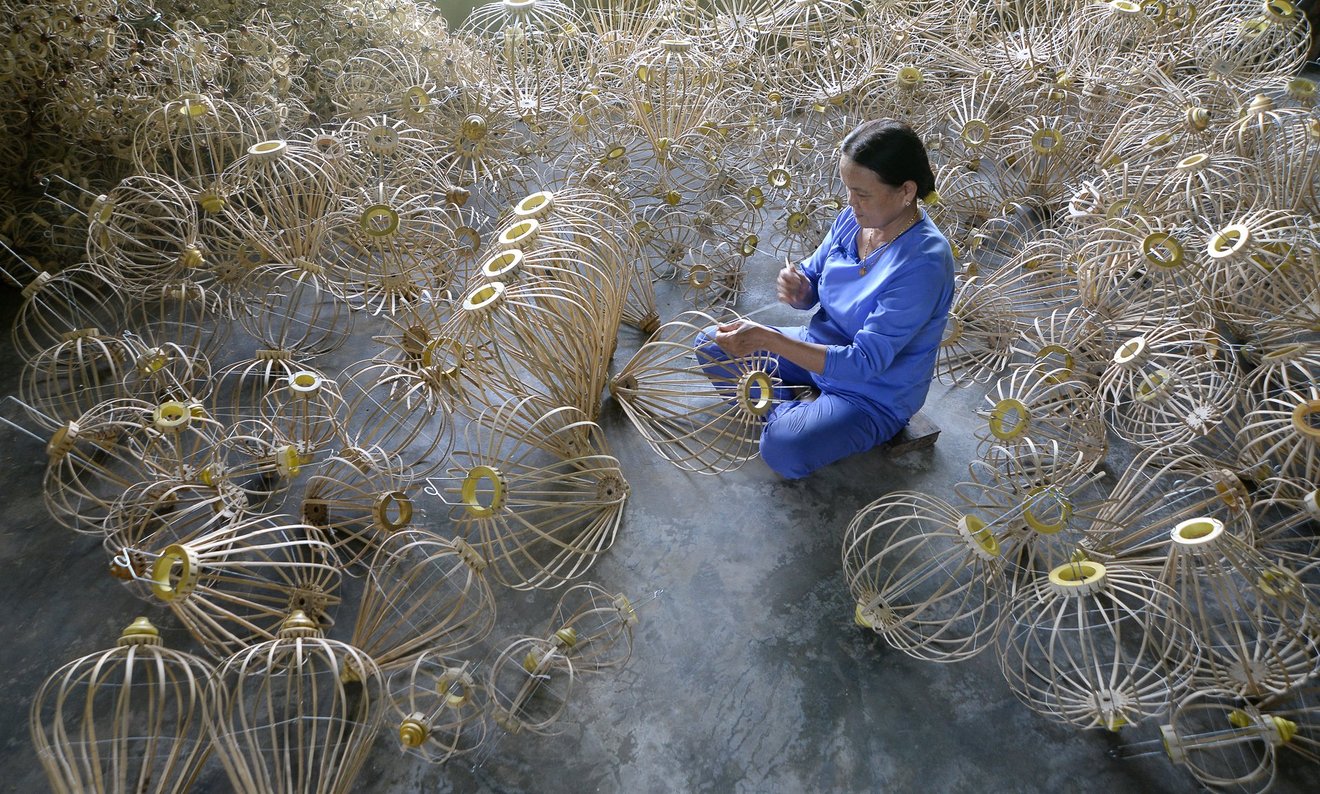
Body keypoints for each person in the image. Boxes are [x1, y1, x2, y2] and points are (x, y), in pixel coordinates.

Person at [698, 118, 955, 479]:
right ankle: (791, 407)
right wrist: (800, 289)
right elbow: (813, 275)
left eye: (862, 194)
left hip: (872, 391)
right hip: (818, 348)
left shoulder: (924, 263)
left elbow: (865, 363)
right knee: (712, 343)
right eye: (848, 189)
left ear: (906, 191)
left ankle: (782, 409)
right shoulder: (855, 220)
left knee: (784, 449)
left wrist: (768, 338)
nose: (851, 203)